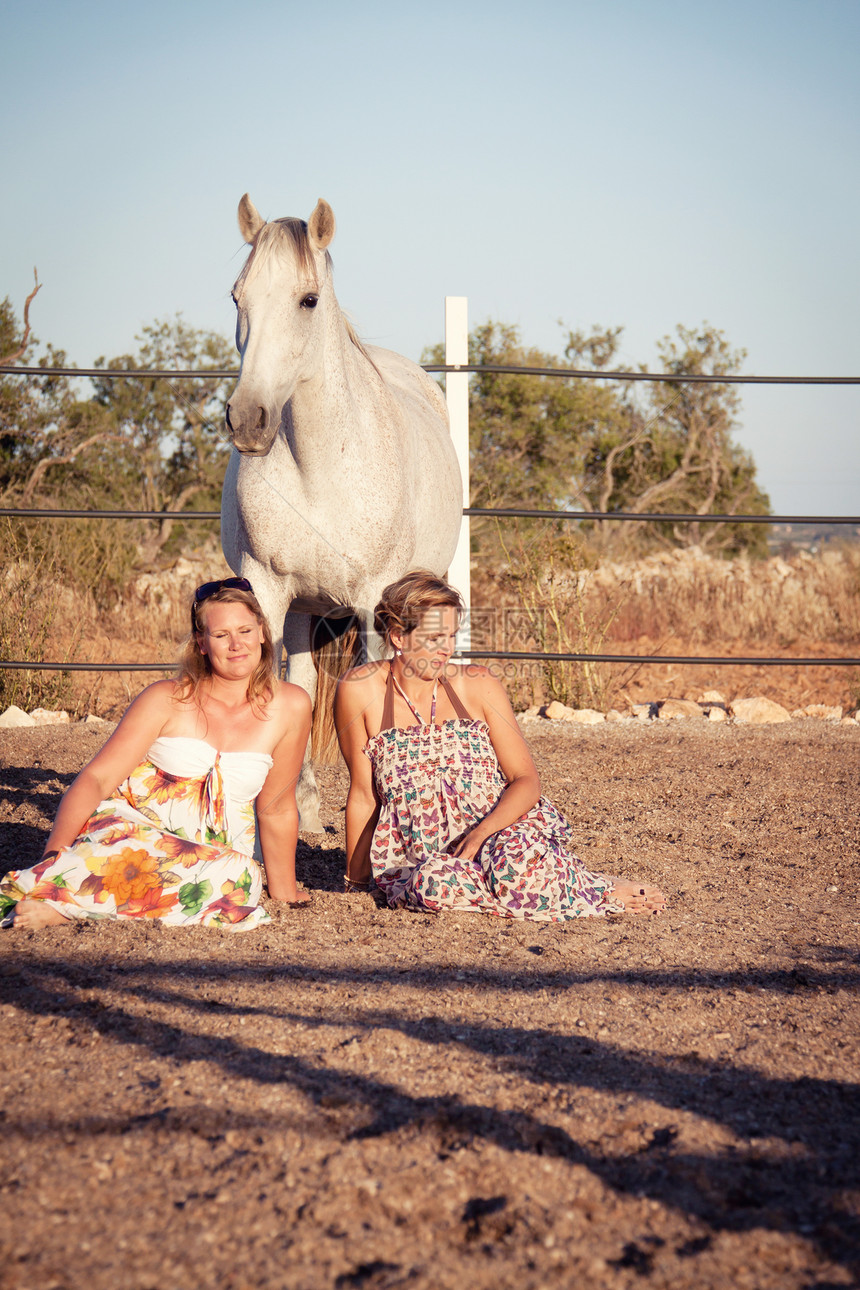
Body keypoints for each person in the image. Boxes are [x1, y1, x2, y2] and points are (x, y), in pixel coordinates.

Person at [335, 571, 665, 920]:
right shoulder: (360, 690)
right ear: (399, 636)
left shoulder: (478, 685)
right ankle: (559, 888)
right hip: (427, 855)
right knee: (433, 885)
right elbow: (363, 794)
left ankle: (594, 887)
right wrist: (356, 883)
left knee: (513, 862)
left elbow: (526, 779)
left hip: (501, 829)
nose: (447, 649)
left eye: (451, 636)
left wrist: (481, 834)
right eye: (433, 638)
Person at [0, 577, 312, 931]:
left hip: (209, 859)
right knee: (121, 860)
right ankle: (67, 895)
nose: (236, 644)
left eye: (244, 630)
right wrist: (53, 855)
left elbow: (278, 806)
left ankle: (72, 907)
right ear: (202, 644)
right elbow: (97, 779)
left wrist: (285, 890)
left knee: (242, 878)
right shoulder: (165, 697)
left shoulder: (291, 705)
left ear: (262, 632)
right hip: (131, 834)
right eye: (221, 634)